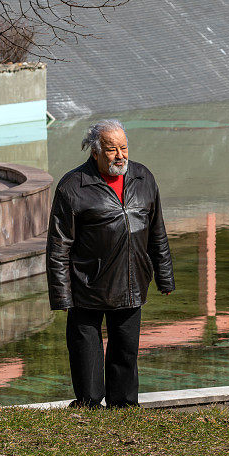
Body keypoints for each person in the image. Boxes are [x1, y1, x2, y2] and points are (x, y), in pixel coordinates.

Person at [46, 119, 175, 409]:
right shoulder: (73, 186)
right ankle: (89, 406)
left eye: (124, 148)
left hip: (131, 282)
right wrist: (61, 295)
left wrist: (165, 276)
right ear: (94, 152)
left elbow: (157, 232)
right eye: (112, 149)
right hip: (86, 286)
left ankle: (124, 406)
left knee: (126, 352)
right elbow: (58, 247)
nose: (120, 155)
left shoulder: (143, 178)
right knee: (86, 353)